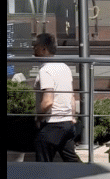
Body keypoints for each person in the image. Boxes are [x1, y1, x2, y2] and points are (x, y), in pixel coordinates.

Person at [32, 33, 79, 162]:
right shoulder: (64, 67)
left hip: (52, 124)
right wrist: (72, 118)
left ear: (43, 49)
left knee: (43, 164)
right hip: (67, 123)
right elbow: (71, 97)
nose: (33, 49)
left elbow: (47, 102)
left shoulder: (45, 70)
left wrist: (38, 119)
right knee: (72, 162)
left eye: (35, 46)